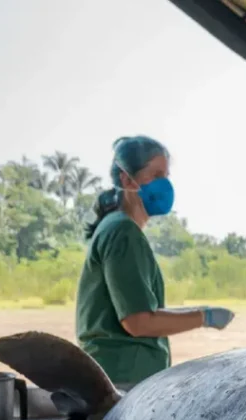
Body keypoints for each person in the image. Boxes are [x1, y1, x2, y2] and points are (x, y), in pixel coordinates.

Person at [76, 136, 234, 390]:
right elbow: (138, 321)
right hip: (122, 378)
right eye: (156, 174)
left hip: (124, 376)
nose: (164, 183)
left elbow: (145, 310)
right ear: (128, 180)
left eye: (166, 174)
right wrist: (203, 318)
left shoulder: (121, 230)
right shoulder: (122, 232)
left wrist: (199, 311)